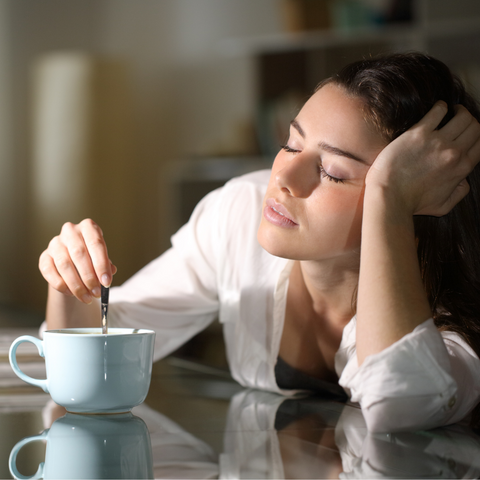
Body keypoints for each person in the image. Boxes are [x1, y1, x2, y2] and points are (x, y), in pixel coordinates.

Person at [39, 52, 480, 432]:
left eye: (332, 172)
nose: (282, 178)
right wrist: (69, 282)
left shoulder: (450, 313)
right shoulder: (239, 213)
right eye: (291, 145)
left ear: (413, 193)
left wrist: (389, 199)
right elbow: (101, 344)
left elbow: (401, 404)